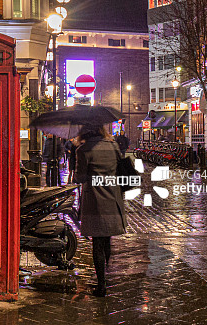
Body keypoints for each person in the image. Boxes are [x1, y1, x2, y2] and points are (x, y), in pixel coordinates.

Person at [74, 123, 127, 297]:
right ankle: (105, 275)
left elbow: (79, 177)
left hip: (95, 197)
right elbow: (120, 169)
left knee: (97, 241)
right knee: (106, 238)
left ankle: (101, 285)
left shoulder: (84, 149)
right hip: (112, 194)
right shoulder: (112, 145)